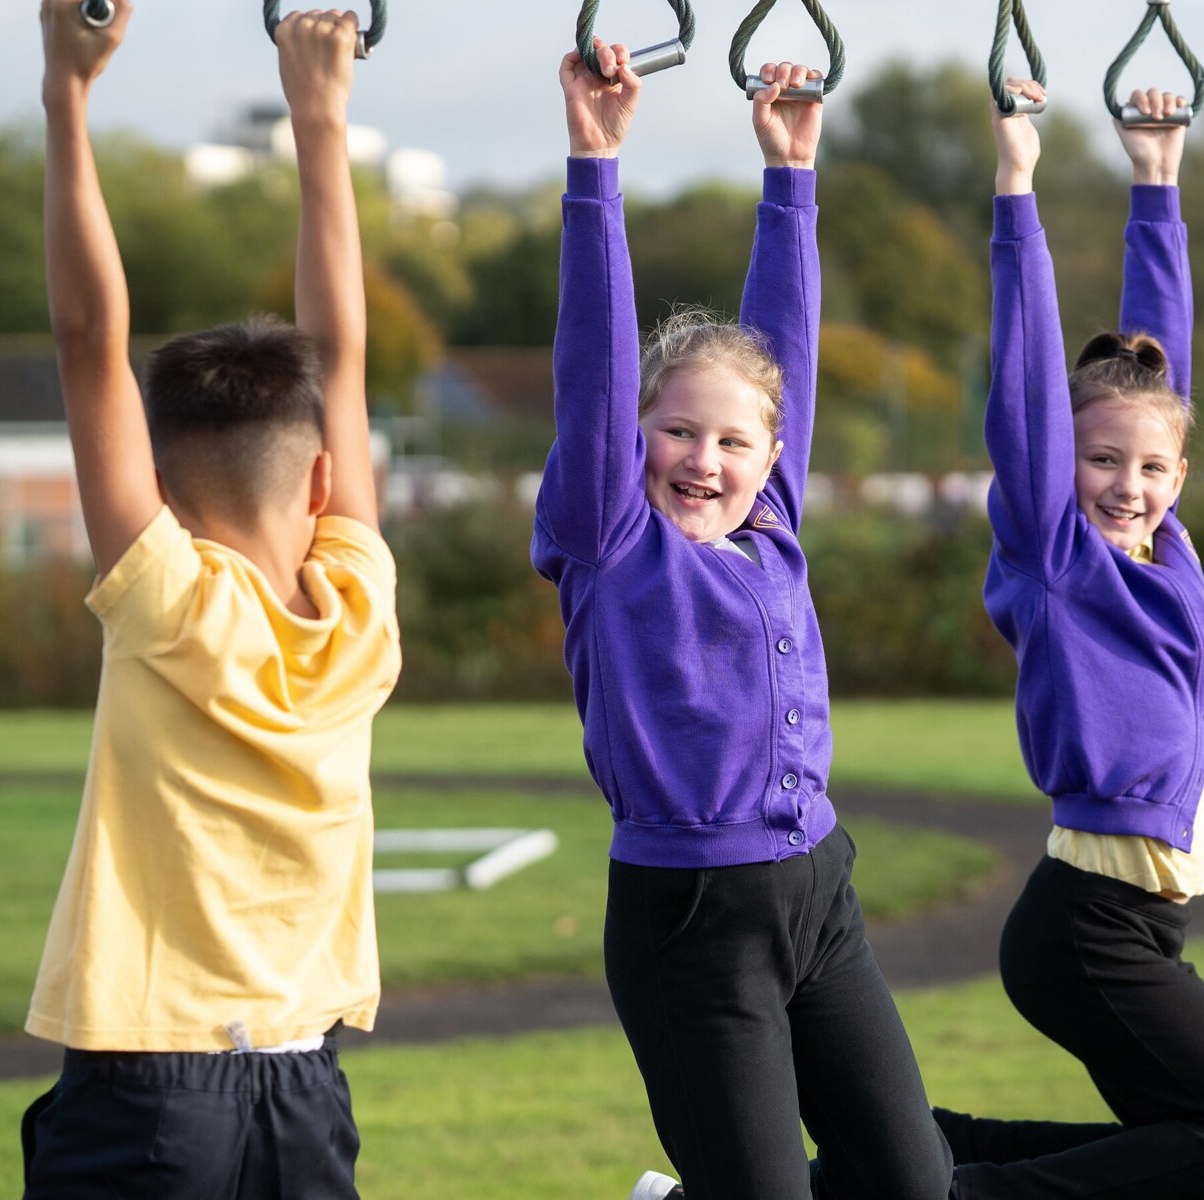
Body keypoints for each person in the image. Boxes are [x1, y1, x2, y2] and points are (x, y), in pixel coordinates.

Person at [531, 40, 953, 1200]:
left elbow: (787, 353)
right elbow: (593, 364)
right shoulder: (611, 540)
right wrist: (595, 164)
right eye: (675, 432)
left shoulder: (769, 524)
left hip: (818, 887)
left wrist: (790, 177)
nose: (703, 459)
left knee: (912, 1184)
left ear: (770, 457)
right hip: (689, 919)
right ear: (632, 441)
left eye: (732, 441)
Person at [19, 5, 400, 1195]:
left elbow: (91, 338)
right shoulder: (358, 611)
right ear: (326, 481)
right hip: (303, 1086)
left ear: (167, 506)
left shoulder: (168, 599)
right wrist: (321, 119)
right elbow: (340, 356)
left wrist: (66, 95)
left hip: (148, 1084)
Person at [932, 79, 1204, 1199]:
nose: (1126, 483)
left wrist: (1156, 177)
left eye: (1151, 467)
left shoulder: (1171, 547)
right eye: (1100, 460)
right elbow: (1021, 384)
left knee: (1172, 1155)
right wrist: (1018, 185)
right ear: (1061, 465)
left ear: (1182, 476)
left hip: (1137, 927)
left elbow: (1162, 368)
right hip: (1085, 926)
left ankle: (874, 1155)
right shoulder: (1057, 559)